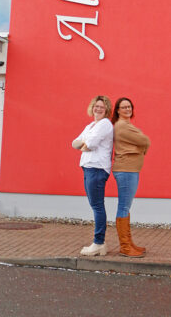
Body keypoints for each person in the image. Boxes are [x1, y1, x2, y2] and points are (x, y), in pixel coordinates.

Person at [72, 95, 113, 256]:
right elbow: (75, 142)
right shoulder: (90, 125)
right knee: (95, 205)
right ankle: (99, 243)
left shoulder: (104, 124)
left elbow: (90, 145)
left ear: (106, 110)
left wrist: (84, 144)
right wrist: (83, 144)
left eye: (102, 107)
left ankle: (99, 242)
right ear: (92, 107)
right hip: (88, 167)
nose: (98, 109)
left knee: (97, 206)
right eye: (96, 106)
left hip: (97, 168)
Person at [111, 97, 150, 258]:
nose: (127, 109)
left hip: (130, 169)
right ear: (118, 110)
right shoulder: (122, 126)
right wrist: (141, 147)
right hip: (126, 170)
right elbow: (145, 140)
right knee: (124, 207)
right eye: (123, 107)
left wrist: (139, 147)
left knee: (126, 206)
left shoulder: (127, 125)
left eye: (129, 106)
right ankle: (125, 247)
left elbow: (141, 142)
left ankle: (129, 243)